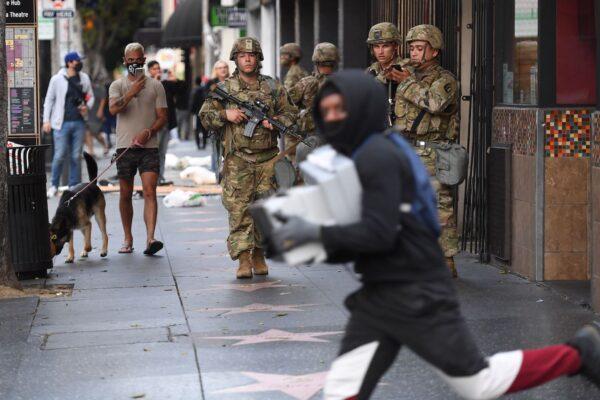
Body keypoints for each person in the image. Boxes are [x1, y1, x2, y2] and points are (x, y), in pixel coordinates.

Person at [269, 70, 600, 400]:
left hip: (415, 292)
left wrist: (307, 237)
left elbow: (377, 233)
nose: (333, 118)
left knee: (477, 382)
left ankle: (579, 354)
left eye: (341, 109)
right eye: (325, 111)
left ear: (363, 108)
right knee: (345, 390)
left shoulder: (377, 156)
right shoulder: (373, 150)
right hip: (382, 294)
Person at [200, 37, 296, 279]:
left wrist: (275, 124)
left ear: (258, 58)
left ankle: (259, 254)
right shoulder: (225, 89)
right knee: (239, 209)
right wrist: (226, 114)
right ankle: (243, 258)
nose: (248, 59)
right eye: (243, 55)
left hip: (268, 159)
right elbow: (205, 116)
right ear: (236, 58)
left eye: (252, 55)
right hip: (238, 158)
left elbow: (291, 113)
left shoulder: (273, 87)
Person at [393, 24, 460, 277]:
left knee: (438, 206)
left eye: (420, 48)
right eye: (411, 48)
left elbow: (434, 103)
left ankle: (446, 260)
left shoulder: (445, 79)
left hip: (432, 152)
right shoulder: (406, 75)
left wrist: (406, 83)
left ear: (434, 51)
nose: (414, 53)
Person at [108, 43, 168, 256]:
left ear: (144, 60)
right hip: (125, 147)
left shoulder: (156, 86)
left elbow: (163, 117)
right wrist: (132, 92)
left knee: (150, 191)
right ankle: (127, 237)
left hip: (149, 147)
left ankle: (151, 238)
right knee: (125, 193)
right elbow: (113, 108)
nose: (134, 63)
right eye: (130, 60)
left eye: (137, 59)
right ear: (125, 61)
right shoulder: (117, 85)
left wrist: (148, 132)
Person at [43, 51, 95, 197]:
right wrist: (46, 120)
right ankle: (53, 185)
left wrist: (87, 106)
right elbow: (49, 100)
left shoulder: (84, 78)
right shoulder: (57, 79)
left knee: (75, 156)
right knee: (59, 155)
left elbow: (90, 96)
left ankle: (74, 186)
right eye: (77, 61)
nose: (79, 63)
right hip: (61, 123)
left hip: (79, 122)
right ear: (69, 63)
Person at [289, 42, 339, 164]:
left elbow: (286, 103)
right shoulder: (343, 82)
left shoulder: (307, 83)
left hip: (313, 139)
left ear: (316, 62)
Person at [365, 22, 406, 126]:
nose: (380, 51)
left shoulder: (405, 70)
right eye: (376, 46)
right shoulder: (370, 71)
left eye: (385, 46)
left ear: (395, 46)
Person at [147, 60, 177, 186]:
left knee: (162, 152)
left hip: (165, 122)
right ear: (149, 71)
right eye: (154, 69)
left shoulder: (166, 84)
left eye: (158, 68)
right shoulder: (146, 84)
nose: (157, 71)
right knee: (154, 152)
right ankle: (153, 178)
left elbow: (181, 89)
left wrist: (172, 77)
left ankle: (161, 177)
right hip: (153, 124)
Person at [84, 81, 110, 157]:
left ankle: (105, 145)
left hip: (96, 113)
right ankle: (91, 152)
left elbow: (103, 98)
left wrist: (101, 110)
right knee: (87, 132)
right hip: (87, 113)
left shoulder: (98, 88)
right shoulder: (84, 88)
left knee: (96, 133)